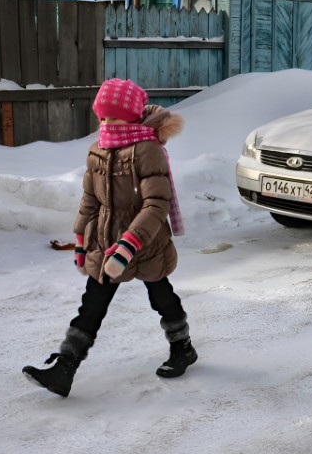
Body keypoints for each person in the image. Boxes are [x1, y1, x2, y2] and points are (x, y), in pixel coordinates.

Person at [23, 78, 196, 397]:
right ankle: (64, 369)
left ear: (131, 117)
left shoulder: (148, 150)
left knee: (161, 297)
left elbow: (155, 204)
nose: (107, 124)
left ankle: (182, 347)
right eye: (102, 118)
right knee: (91, 305)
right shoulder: (98, 149)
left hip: (146, 242)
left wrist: (129, 245)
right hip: (105, 240)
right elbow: (90, 199)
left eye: (114, 118)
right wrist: (80, 239)